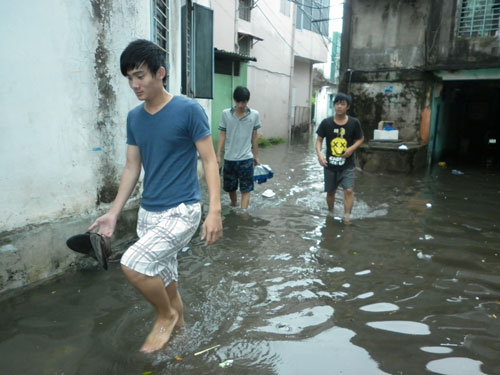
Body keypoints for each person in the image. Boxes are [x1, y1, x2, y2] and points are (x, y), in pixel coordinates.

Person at [88, 39, 222, 353]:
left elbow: (209, 159)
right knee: (168, 284)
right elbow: (132, 167)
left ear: (159, 72)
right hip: (149, 215)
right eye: (129, 78)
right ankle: (182, 341)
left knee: (134, 264)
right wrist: (113, 212)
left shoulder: (188, 110)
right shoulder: (134, 118)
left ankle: (166, 316)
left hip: (182, 210)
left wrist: (214, 210)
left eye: (140, 76)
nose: (134, 84)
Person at [315, 93, 364, 222]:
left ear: (348, 107)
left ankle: (347, 216)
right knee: (331, 192)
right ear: (334, 105)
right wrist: (320, 155)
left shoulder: (354, 123)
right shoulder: (326, 123)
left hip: (347, 165)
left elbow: (360, 139)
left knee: (348, 190)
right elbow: (319, 140)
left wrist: (351, 149)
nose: (339, 106)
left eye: (342, 104)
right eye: (337, 103)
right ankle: (330, 213)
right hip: (330, 165)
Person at [216, 86, 261, 209]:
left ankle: (243, 215)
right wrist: (218, 154)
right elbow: (222, 134)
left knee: (246, 189)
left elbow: (255, 137)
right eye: (238, 102)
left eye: (244, 102)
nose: (241, 105)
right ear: (234, 100)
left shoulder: (254, 115)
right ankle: (234, 205)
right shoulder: (226, 114)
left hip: (246, 158)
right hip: (229, 158)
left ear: (247, 101)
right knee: (231, 188)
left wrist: (256, 156)